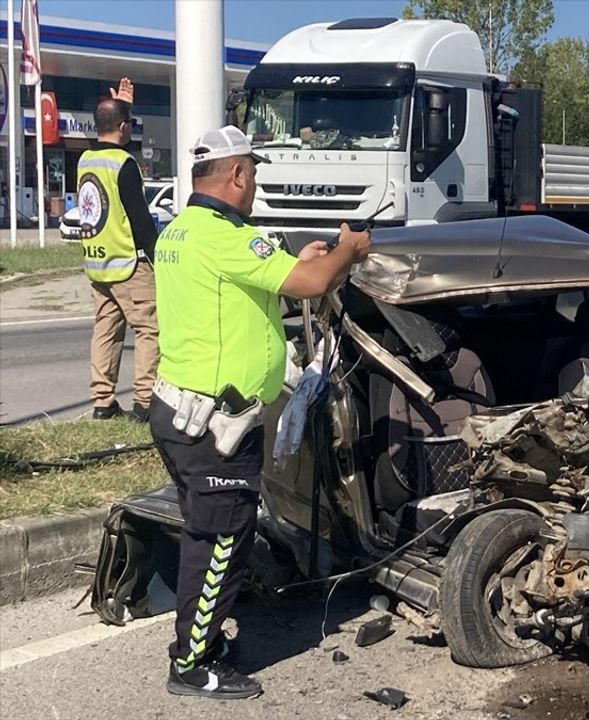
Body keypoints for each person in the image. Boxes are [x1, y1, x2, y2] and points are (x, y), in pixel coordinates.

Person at [150, 125, 372, 700]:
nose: (255, 185)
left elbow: (240, 291)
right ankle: (192, 663)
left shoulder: (179, 232)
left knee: (211, 531)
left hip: (182, 413)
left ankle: (202, 641)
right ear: (237, 174)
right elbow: (317, 281)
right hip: (214, 426)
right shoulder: (228, 236)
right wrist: (349, 250)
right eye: (255, 173)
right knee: (221, 539)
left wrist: (289, 261)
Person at [76, 78, 159, 422]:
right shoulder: (123, 164)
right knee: (149, 329)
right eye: (130, 124)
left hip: (97, 264)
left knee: (106, 331)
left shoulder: (85, 159)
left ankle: (103, 401)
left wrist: (124, 106)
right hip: (129, 264)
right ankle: (144, 402)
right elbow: (140, 219)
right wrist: (158, 259)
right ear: (124, 127)